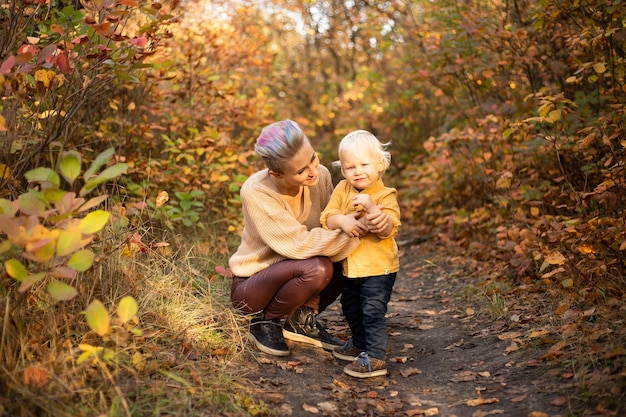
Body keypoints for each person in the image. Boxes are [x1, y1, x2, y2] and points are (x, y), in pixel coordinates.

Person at [229, 119, 364, 357]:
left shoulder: (320, 176)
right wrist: (358, 234)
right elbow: (298, 244)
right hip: (255, 286)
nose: (312, 171)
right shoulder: (256, 191)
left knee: (349, 262)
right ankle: (265, 323)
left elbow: (333, 219)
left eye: (312, 158)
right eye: (301, 171)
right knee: (319, 267)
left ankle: (301, 321)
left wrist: (369, 217)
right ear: (277, 174)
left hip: (300, 272)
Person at [320, 130, 401, 378]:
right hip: (350, 266)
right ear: (342, 170)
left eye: (364, 164)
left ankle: (375, 357)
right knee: (351, 307)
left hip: (378, 268)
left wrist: (373, 209)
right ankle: (358, 343)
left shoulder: (385, 195)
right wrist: (343, 221)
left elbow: (387, 228)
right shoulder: (342, 189)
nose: (357, 171)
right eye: (350, 167)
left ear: (379, 164)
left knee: (372, 311)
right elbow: (327, 218)